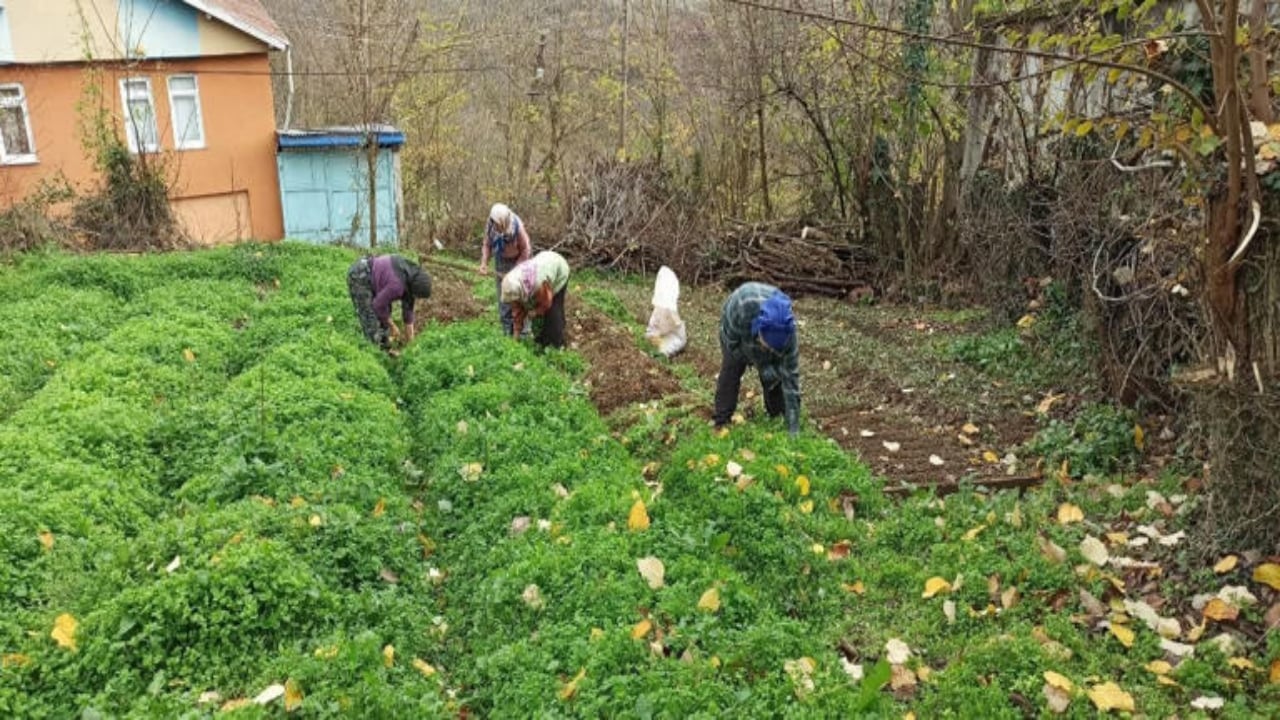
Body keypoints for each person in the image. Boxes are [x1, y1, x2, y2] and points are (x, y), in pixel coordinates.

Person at [712, 282, 801, 437]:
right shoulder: (742, 305)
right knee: (731, 370)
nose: (768, 350)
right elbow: (731, 343)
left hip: (762, 333)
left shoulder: (789, 337)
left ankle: (776, 416)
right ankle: (721, 421)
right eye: (767, 345)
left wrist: (793, 429)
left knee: (773, 378)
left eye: (774, 349)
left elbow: (791, 380)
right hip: (735, 332)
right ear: (760, 329)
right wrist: (755, 361)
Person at [347, 254, 432, 355]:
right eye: (417, 296)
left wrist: (411, 346)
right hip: (360, 276)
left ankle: (385, 349)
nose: (416, 298)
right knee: (370, 321)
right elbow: (377, 305)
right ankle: (375, 357)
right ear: (414, 288)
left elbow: (408, 316)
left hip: (376, 279)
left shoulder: (411, 279)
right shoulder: (397, 286)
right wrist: (392, 326)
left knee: (385, 318)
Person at [478, 203, 533, 336]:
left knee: (520, 297)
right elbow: (487, 244)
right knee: (504, 297)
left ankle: (523, 333)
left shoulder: (517, 227)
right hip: (501, 260)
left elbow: (526, 249)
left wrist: (515, 271)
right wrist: (484, 262)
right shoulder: (490, 225)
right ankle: (507, 331)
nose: (498, 226)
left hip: (519, 261)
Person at [500, 250, 570, 349]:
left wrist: (535, 312)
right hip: (543, 261)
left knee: (553, 311)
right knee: (534, 309)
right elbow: (518, 312)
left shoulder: (538, 284)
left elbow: (546, 303)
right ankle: (542, 338)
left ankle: (557, 345)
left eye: (515, 299)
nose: (514, 301)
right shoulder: (515, 286)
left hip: (558, 267)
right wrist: (515, 336)